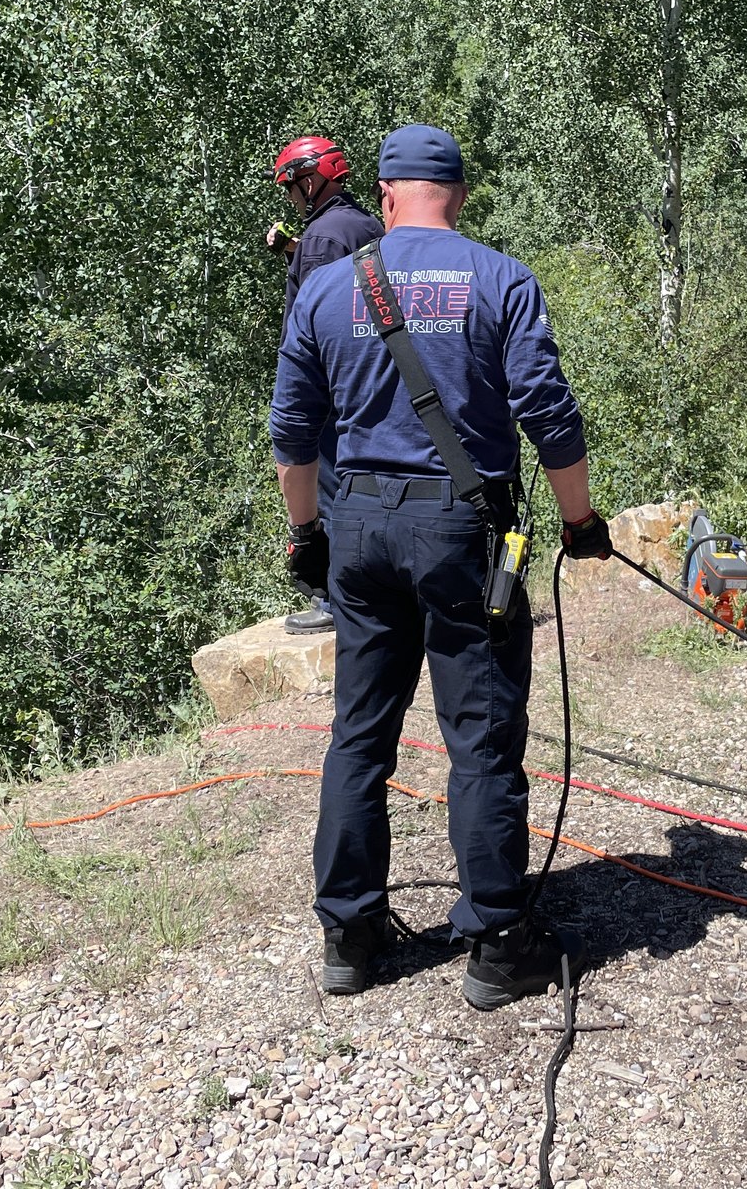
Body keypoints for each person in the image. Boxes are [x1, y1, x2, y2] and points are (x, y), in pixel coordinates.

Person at [269, 123, 613, 1009]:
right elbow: (552, 414)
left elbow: (291, 434)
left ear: (384, 196)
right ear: (458, 195)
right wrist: (579, 521)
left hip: (359, 530)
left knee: (359, 733)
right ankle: (499, 941)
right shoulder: (500, 279)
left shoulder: (329, 286)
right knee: (483, 737)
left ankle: (350, 935)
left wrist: (307, 534)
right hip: (463, 534)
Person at [268, 136, 385, 634]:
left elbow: (320, 315)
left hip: (331, 389)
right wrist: (294, 251)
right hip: (375, 379)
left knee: (333, 495)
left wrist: (306, 395)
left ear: (311, 180)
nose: (292, 198)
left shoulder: (321, 237)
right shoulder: (364, 223)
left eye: (292, 187)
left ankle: (339, 604)